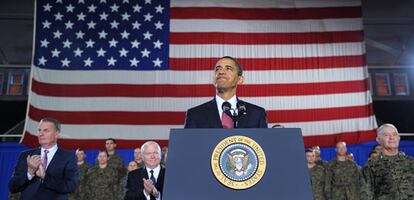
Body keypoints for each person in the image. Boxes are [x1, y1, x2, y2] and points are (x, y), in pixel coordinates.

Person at [184, 56, 268, 128]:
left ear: (240, 79)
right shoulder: (195, 114)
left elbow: (263, 145)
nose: (221, 72)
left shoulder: (257, 114)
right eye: (218, 69)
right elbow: (188, 145)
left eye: (228, 68)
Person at [8, 117, 79, 199]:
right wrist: (29, 173)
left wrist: (45, 177)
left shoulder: (68, 157)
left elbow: (71, 187)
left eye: (46, 130)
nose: (41, 134)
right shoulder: (26, 156)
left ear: (57, 134)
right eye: (39, 130)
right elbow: (13, 187)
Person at [362, 124, 414, 200]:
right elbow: (365, 195)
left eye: (394, 134)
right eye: (386, 135)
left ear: (399, 138)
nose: (392, 137)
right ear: (378, 140)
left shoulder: (411, 162)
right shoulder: (371, 166)